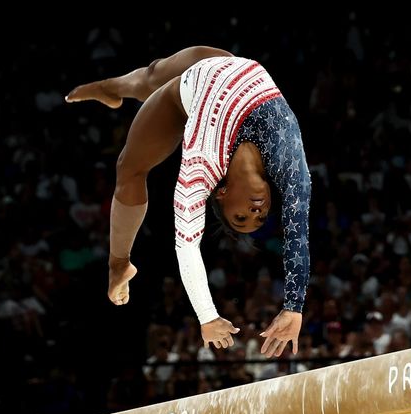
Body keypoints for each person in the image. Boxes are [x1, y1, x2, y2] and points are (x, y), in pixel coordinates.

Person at [65, 46, 311, 358]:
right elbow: (297, 231)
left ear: (220, 194)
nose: (255, 213)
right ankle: (111, 88)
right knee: (151, 74)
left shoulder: (201, 169)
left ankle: (118, 264)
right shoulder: (286, 161)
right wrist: (293, 308)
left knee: (129, 168)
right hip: (221, 65)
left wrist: (207, 316)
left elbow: (187, 247)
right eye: (259, 218)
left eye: (241, 218)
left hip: (182, 98)